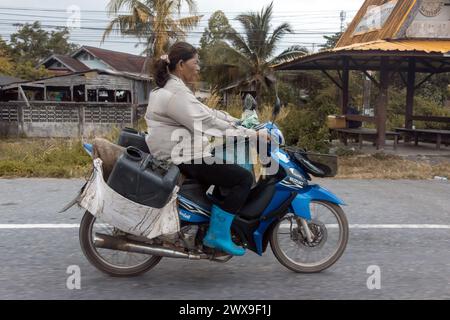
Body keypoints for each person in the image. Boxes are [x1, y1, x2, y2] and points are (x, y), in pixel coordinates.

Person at [145, 42, 265, 256]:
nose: (199, 67)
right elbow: (206, 123)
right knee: (242, 178)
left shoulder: (177, 89)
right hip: (184, 156)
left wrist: (237, 122)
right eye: (196, 62)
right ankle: (217, 234)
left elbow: (208, 113)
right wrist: (251, 135)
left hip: (184, 152)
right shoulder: (175, 94)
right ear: (181, 64)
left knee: (225, 169)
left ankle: (206, 226)